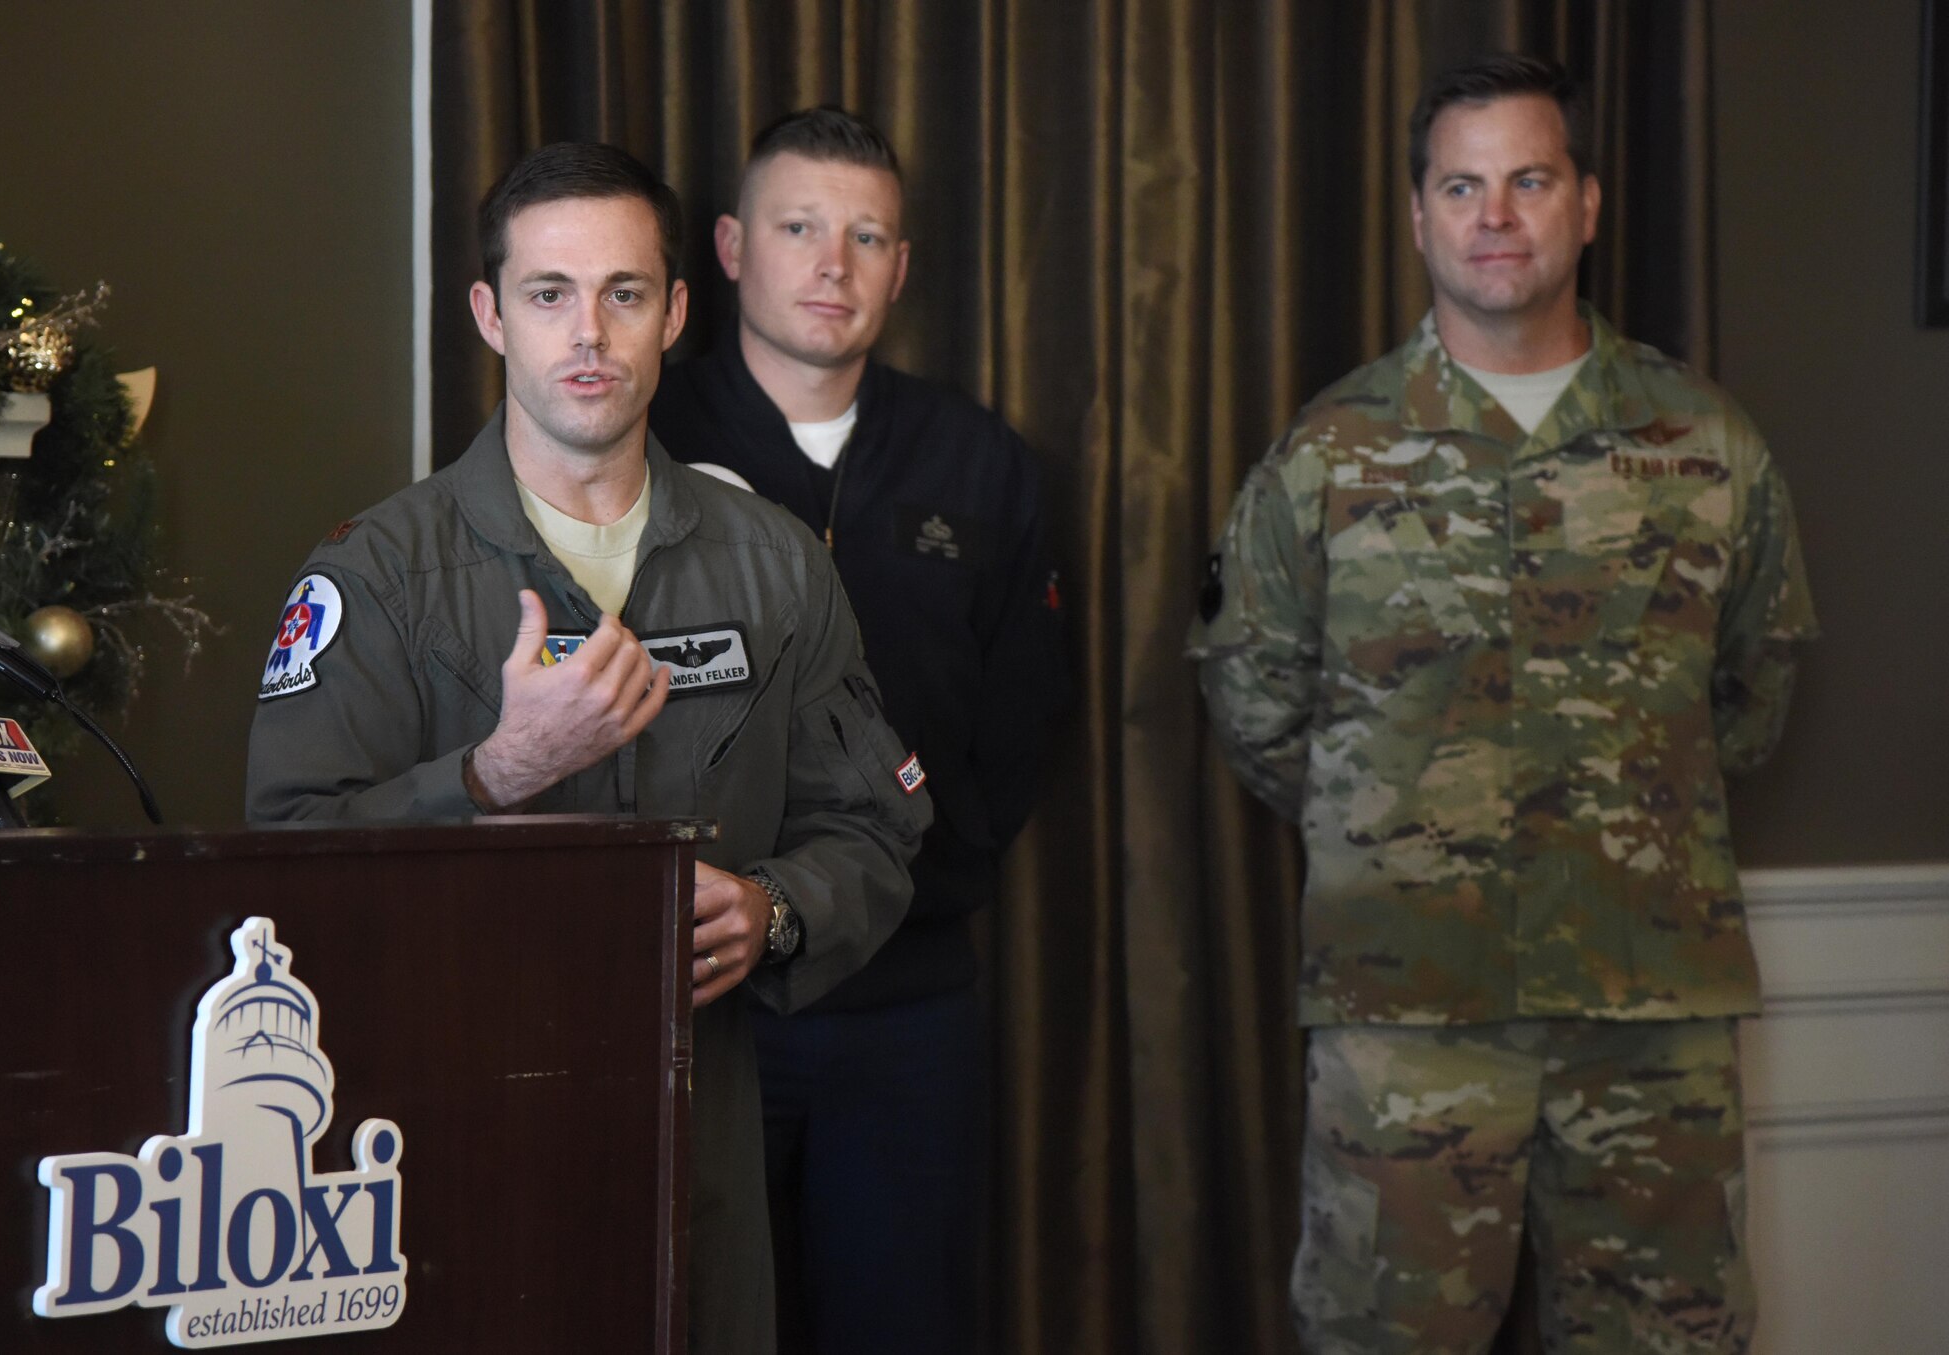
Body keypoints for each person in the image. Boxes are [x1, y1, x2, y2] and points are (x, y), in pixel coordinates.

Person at [245, 141, 932, 1355]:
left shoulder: (771, 564)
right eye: (548, 293)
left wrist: (773, 907)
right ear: (489, 314)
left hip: (692, 1151)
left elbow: (874, 824)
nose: (589, 334)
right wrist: (489, 775)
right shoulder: (376, 573)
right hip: (444, 1151)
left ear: (674, 313)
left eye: (623, 294)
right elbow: (281, 861)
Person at [1189, 55, 1815, 1354]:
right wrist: (1396, 826)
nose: (1495, 214)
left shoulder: (1706, 443)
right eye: (1461, 184)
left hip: (1647, 1013)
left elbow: (1753, 690)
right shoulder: (1331, 452)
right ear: (1419, 215)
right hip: (1406, 1020)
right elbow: (1254, 692)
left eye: (1529, 179)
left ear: (1585, 203)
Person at [651, 107, 1066, 1355]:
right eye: (798, 228)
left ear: (900, 265)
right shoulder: (647, 442)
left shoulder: (976, 459)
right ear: (729, 247)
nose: (832, 263)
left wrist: (930, 871)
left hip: (905, 998)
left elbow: (1024, 712)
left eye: (866, 236)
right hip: (696, 996)